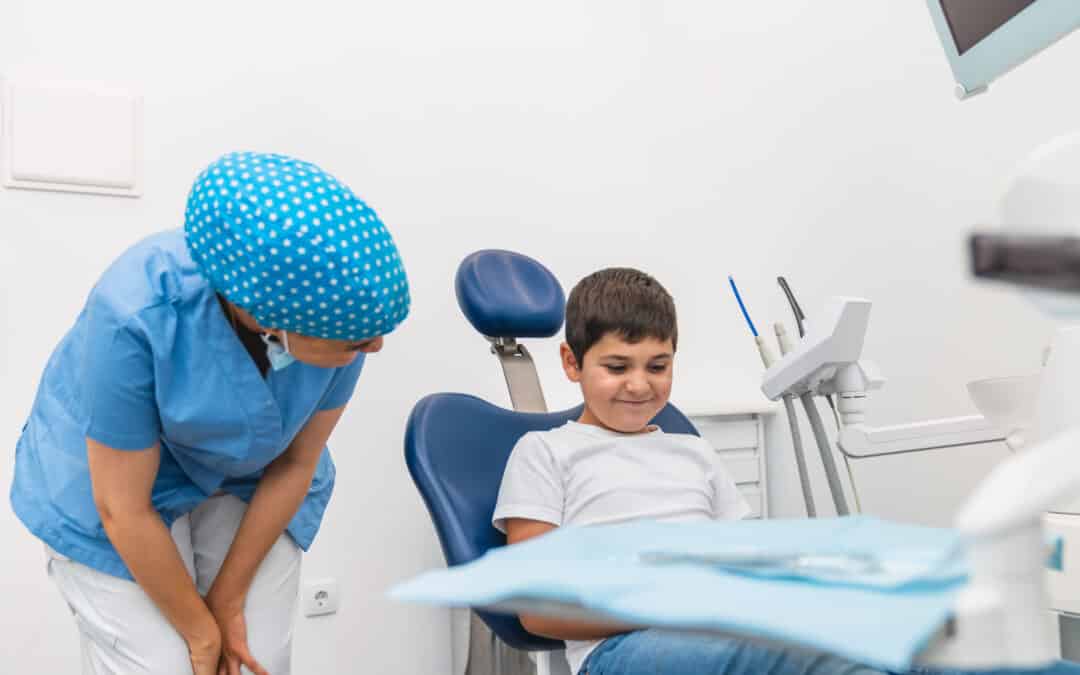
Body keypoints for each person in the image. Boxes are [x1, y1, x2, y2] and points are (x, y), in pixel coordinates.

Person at [492, 267, 1080, 675]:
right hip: (625, 650)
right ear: (573, 361)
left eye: (658, 364)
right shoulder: (546, 453)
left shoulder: (689, 452)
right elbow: (538, 609)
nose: (640, 384)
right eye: (616, 366)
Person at [10, 151, 410, 675]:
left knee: (254, 659)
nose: (373, 347)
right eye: (357, 339)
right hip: (114, 489)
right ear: (269, 315)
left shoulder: (341, 322)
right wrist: (200, 634)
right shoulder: (134, 313)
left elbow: (295, 464)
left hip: (250, 473)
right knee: (164, 665)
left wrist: (225, 600)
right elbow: (123, 507)